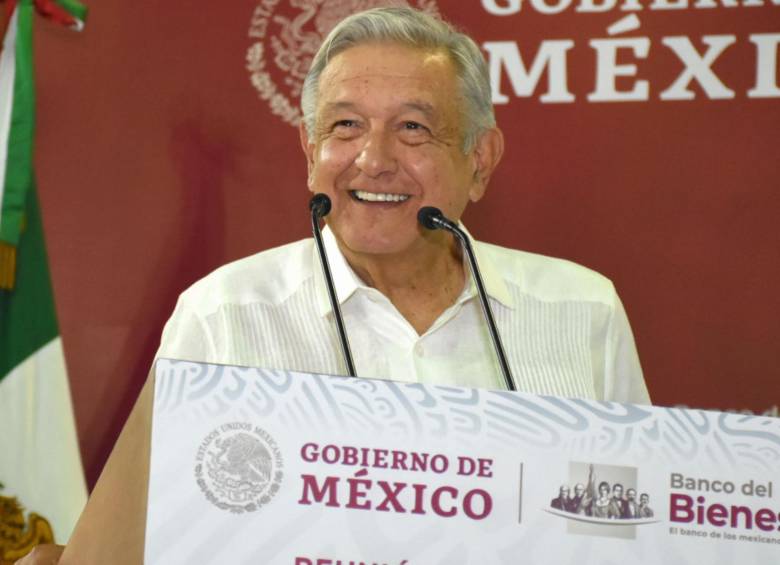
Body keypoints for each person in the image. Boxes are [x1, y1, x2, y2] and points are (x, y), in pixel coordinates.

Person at [16, 6, 649, 564]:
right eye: (345, 127)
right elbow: (146, 539)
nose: (373, 159)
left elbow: (640, 534)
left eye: (414, 129)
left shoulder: (581, 311)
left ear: (480, 160)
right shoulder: (225, 315)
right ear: (308, 149)